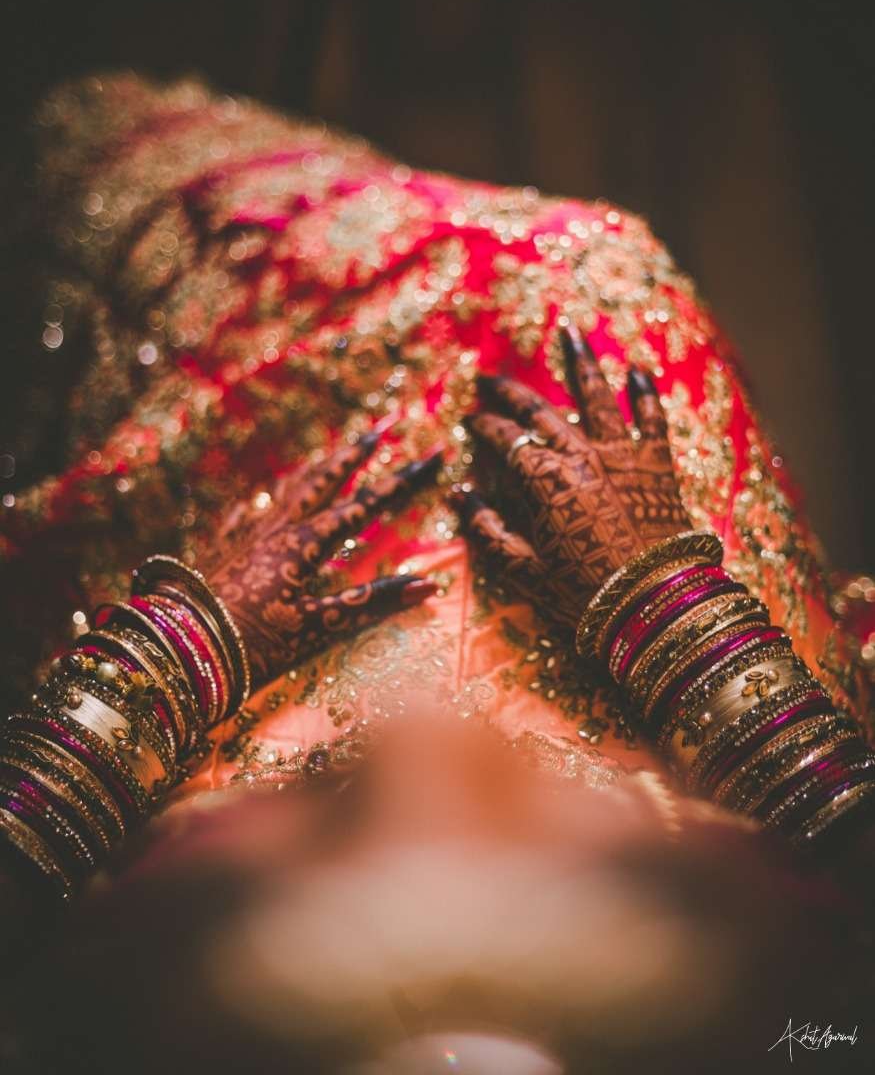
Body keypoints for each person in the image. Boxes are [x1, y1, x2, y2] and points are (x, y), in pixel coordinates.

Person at [0, 73, 873, 1069]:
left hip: (199, 695)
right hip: (694, 707)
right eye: (581, 891)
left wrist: (156, 669)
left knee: (87, 160)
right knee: (581, 275)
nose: (425, 737)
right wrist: (681, 624)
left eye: (316, 879)